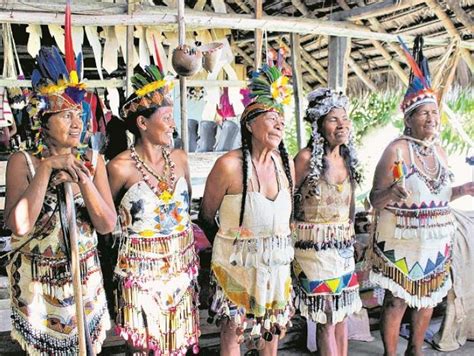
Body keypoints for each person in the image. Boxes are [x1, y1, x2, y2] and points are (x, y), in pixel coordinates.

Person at [4, 46, 116, 354]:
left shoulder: (94, 161)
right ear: (44, 119)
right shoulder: (22, 162)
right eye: (66, 115)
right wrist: (48, 168)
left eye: (79, 115)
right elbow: (20, 225)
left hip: (85, 282)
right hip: (39, 288)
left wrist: (83, 179)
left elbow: (107, 225)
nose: (77, 123)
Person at [368, 36, 474, 356]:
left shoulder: (439, 152)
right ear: (410, 118)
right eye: (424, 113)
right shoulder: (396, 149)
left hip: (433, 243)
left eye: (434, 112)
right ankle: (390, 353)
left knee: (428, 299)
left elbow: (437, 195)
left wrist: (463, 190)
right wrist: (391, 191)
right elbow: (374, 199)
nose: (431, 118)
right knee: (398, 299)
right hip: (400, 243)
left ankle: (415, 351)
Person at [199, 65, 295, 356]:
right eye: (271, 119)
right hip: (235, 267)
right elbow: (205, 216)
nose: (279, 125)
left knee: (271, 331)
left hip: (276, 267)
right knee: (234, 333)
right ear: (250, 125)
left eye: (281, 120)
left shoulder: (284, 165)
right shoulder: (228, 166)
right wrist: (236, 245)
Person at [106, 64, 200, 355]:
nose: (173, 124)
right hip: (139, 276)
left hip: (179, 269)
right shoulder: (119, 167)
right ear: (143, 123)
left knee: (178, 345)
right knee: (143, 348)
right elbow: (105, 223)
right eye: (167, 118)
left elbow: (186, 211)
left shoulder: (180, 158)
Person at [292, 88, 363, 356]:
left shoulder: (346, 159)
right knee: (327, 315)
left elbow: (351, 203)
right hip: (313, 249)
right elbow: (287, 202)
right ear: (319, 124)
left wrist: (353, 235)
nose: (342, 124)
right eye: (334, 119)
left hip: (342, 246)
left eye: (345, 118)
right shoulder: (306, 159)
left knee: (342, 313)